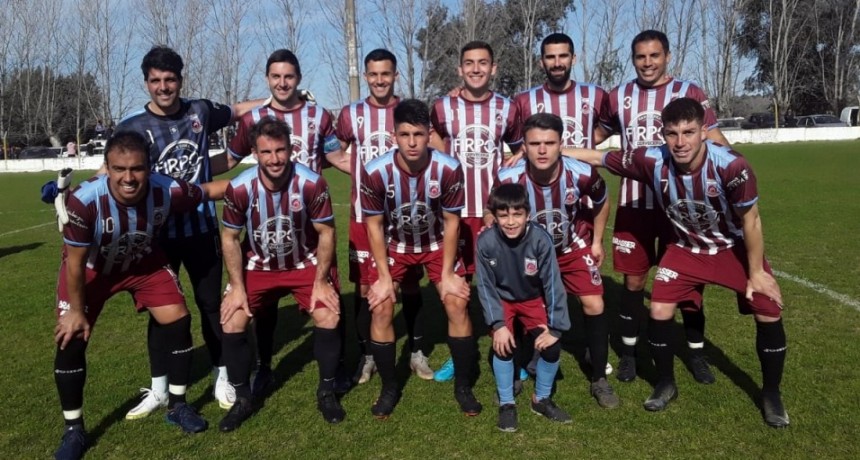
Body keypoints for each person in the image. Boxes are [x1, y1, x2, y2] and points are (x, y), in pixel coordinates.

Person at [570, 97, 789, 428]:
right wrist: (551, 151)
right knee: (658, 309)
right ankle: (665, 382)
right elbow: (599, 157)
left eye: (689, 132)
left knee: (767, 307)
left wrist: (756, 272)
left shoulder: (732, 166)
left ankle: (772, 394)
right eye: (672, 133)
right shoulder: (652, 159)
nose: (681, 142)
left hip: (731, 248)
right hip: (685, 248)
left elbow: (752, 221)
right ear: (663, 134)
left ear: (704, 131)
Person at [52, 131, 228, 459]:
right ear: (107, 167)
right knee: (71, 336)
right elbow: (74, 264)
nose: (129, 178)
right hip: (92, 269)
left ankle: (177, 405)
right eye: (119, 169)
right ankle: (73, 429)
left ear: (149, 168)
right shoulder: (83, 201)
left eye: (137, 169)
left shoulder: (167, 189)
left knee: (178, 318)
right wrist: (76, 310)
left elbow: (206, 191)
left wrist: (262, 182)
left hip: (142, 263)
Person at [115, 45, 264, 417]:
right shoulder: (131, 126)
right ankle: (160, 388)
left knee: (212, 306)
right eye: (156, 81)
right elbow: (115, 171)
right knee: (159, 312)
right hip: (157, 235)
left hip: (201, 230)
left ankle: (222, 375)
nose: (163, 87)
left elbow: (240, 109)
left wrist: (281, 97)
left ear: (180, 80)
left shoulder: (200, 111)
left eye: (170, 80)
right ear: (146, 82)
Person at [596, 30, 730, 384]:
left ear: (667, 56)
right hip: (634, 205)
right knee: (634, 281)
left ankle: (696, 354)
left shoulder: (690, 92)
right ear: (633, 58)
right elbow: (596, 135)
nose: (647, 63)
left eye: (654, 55)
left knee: (689, 284)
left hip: (681, 206)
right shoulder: (619, 95)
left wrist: (734, 170)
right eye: (640, 56)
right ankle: (628, 353)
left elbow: (713, 136)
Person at [226, 48, 349, 396]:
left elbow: (336, 156)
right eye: (276, 77)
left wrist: (373, 172)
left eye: (289, 76)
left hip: (312, 224)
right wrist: (188, 180)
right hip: (265, 223)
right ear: (268, 79)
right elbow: (231, 160)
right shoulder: (253, 120)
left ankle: (337, 369)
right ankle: (264, 367)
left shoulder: (318, 115)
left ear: (298, 78)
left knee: (330, 296)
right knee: (263, 306)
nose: (282, 83)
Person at [218, 118, 345, 431]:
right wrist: (236, 287)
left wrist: (320, 282)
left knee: (328, 315)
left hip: (305, 263)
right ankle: (243, 399)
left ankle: (327, 391)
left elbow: (327, 232)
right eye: (266, 152)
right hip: (258, 266)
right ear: (254, 153)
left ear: (291, 150)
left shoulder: (311, 182)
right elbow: (229, 238)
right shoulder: (240, 187)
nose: (274, 158)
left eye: (280, 150)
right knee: (232, 319)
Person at [361, 98, 481, 419]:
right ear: (393, 136)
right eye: (404, 135)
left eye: (418, 134)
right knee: (382, 305)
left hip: (437, 242)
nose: (412, 142)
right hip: (396, 244)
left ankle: (464, 385)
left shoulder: (448, 168)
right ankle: (389, 387)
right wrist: (385, 278)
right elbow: (373, 226)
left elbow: (453, 222)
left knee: (456, 301)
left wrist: (447, 276)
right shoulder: (375, 171)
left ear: (429, 134)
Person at [497, 113, 619, 409]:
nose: (542, 150)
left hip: (571, 246)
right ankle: (517, 367)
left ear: (561, 144)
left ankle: (599, 378)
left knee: (594, 303)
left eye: (549, 143)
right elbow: (496, 214)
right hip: (529, 253)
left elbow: (602, 203)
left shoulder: (581, 173)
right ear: (523, 146)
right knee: (519, 303)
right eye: (534, 143)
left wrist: (596, 241)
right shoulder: (508, 177)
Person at [514, 31, 613, 377]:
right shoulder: (523, 101)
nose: (557, 62)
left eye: (563, 56)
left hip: (572, 227)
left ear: (573, 58)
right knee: (530, 298)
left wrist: (598, 241)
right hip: (533, 236)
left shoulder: (595, 96)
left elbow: (602, 196)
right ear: (542, 61)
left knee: (593, 300)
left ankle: (597, 370)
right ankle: (531, 354)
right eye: (550, 57)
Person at [336, 49, 432, 384]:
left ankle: (417, 352)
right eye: (374, 74)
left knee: (409, 283)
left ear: (395, 76)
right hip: (364, 215)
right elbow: (332, 149)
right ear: (366, 76)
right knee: (365, 286)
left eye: (386, 74)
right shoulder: (351, 114)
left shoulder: (407, 110)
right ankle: (367, 356)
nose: (380, 80)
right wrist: (357, 172)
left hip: (404, 216)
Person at [429, 40, 522, 381]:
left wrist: (499, 200)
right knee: (458, 285)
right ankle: (461, 352)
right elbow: (431, 139)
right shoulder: (442, 107)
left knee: (502, 282)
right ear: (459, 69)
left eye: (483, 62)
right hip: (454, 213)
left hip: (492, 212)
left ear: (494, 68)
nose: (476, 69)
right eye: (469, 63)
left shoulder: (507, 109)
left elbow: (517, 151)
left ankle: (509, 353)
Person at [476, 183, 571, 432]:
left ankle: (541, 399)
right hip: (501, 300)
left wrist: (556, 327)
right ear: (494, 216)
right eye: (503, 215)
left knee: (551, 347)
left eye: (517, 214)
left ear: (528, 214)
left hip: (531, 298)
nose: (510, 221)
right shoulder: (485, 242)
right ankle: (507, 404)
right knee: (503, 345)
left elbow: (552, 284)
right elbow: (485, 287)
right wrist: (497, 325)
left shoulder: (541, 240)